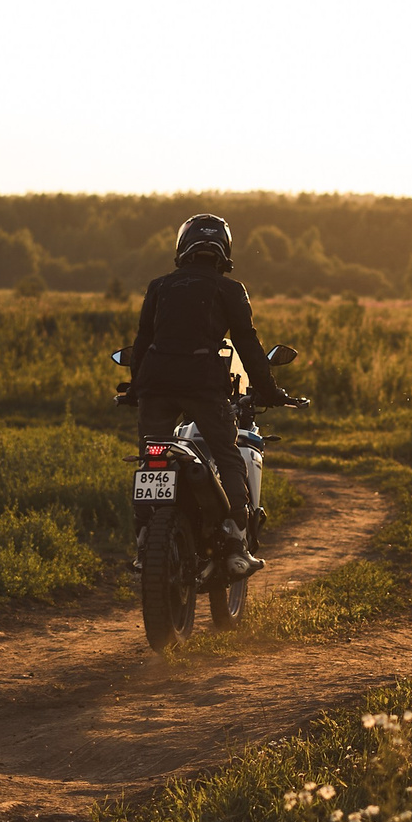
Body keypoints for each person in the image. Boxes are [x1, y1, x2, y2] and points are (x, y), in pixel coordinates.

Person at [131, 214, 287, 577]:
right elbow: (247, 344)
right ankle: (235, 540)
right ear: (224, 251)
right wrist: (270, 390)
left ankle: (143, 539)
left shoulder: (159, 286)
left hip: (155, 389)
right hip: (203, 388)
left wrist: (135, 387)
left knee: (151, 459)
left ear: (182, 248)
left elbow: (143, 339)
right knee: (227, 455)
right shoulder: (230, 290)